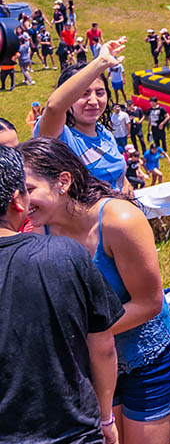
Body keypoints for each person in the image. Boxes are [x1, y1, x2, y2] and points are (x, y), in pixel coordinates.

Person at [21, 136, 170, 442]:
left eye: (30, 190)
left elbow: (149, 303)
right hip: (94, 367)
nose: (22, 202)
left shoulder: (119, 221)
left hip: (148, 363)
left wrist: (83, 332)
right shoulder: (40, 229)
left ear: (63, 181)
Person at [0, 144, 125, 444]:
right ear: (18, 201)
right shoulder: (66, 255)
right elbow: (103, 346)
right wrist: (106, 418)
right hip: (73, 431)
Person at [35, 38, 128, 190]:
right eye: (83, 94)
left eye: (100, 92)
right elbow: (53, 107)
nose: (93, 101)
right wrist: (100, 62)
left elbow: (121, 179)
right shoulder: (59, 136)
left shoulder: (104, 133)